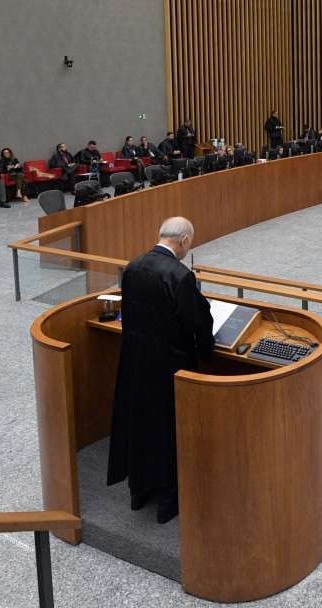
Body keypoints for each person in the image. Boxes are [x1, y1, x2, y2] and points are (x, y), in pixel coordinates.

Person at [107, 217, 214, 524]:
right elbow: (195, 320)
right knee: (168, 430)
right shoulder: (179, 275)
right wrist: (205, 352)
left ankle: (138, 492)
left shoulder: (133, 266)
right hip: (168, 367)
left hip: (134, 363)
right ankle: (168, 501)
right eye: (190, 243)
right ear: (183, 241)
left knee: (140, 424)